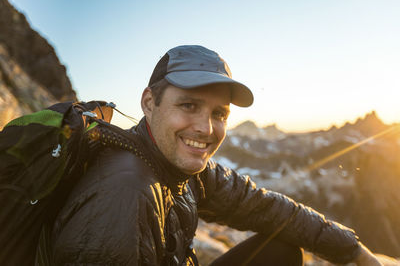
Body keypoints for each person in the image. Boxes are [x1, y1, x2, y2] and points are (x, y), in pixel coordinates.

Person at [47, 45, 383, 265]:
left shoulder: (177, 165)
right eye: (188, 105)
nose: (206, 129)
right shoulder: (124, 196)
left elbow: (264, 206)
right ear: (149, 103)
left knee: (279, 253)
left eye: (219, 114)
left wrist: (351, 250)